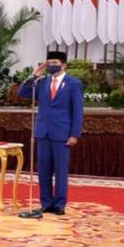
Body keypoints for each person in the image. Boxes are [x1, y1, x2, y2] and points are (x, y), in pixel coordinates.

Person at [17, 50, 83, 217]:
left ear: (64, 65)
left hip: (62, 134)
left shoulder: (73, 84)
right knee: (44, 171)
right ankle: (46, 203)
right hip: (43, 132)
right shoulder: (42, 82)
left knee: (60, 171)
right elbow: (22, 93)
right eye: (49, 63)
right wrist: (34, 75)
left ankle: (59, 204)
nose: (52, 66)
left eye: (55, 63)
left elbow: (78, 111)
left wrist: (74, 134)